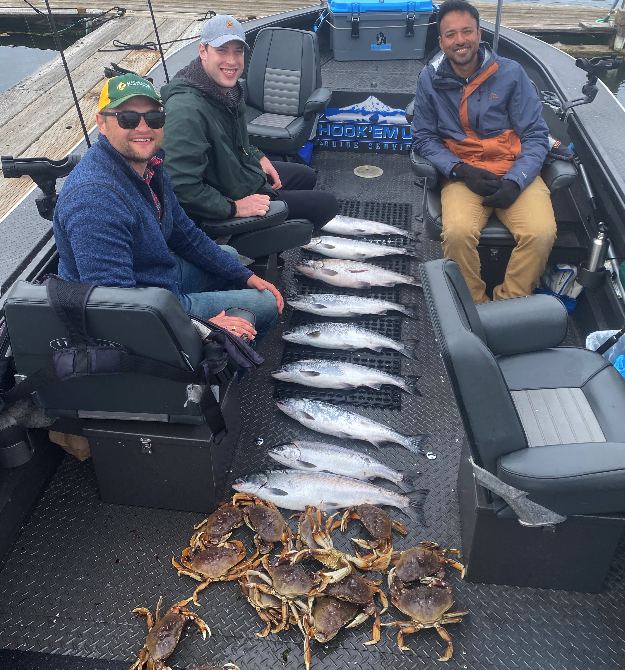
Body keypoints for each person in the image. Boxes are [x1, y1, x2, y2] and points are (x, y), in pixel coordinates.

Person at [53, 73, 283, 346]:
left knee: (230, 257)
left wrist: (244, 275)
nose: (143, 128)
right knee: (266, 304)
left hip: (154, 282)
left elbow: (185, 234)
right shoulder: (95, 200)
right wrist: (202, 327)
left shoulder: (150, 165)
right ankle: (213, 369)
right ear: (101, 123)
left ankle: (226, 339)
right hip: (139, 309)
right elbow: (117, 309)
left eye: (153, 118)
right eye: (127, 118)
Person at [411, 0, 556, 304]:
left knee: (540, 234)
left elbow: (535, 135)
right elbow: (424, 138)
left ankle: (509, 303)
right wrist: (460, 171)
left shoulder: (512, 73)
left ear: (479, 35)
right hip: (465, 174)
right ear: (441, 42)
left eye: (466, 32)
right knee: (457, 234)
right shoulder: (428, 79)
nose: (459, 40)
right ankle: (475, 305)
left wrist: (517, 180)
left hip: (515, 168)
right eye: (450, 35)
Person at [160, 15, 338, 233]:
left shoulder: (227, 91)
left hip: (233, 174)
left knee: (305, 175)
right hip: (222, 201)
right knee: (326, 205)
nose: (232, 61)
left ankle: (271, 237)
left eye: (238, 51)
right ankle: (256, 245)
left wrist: (257, 156)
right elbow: (179, 187)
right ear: (203, 51)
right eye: (222, 50)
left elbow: (234, 140)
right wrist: (234, 208)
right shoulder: (185, 110)